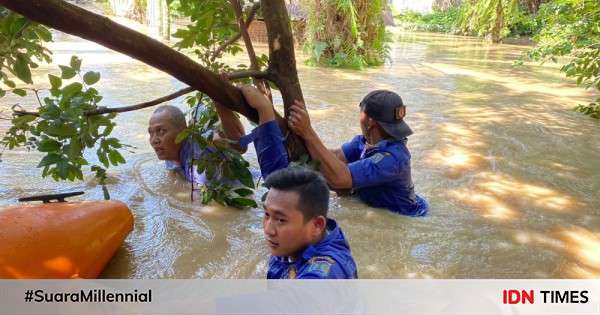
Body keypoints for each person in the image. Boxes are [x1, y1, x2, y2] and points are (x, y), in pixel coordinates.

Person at [235, 86, 428, 216]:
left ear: (369, 121)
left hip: (405, 216)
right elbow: (332, 157)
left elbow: (340, 178)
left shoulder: (393, 158)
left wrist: (308, 132)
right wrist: (294, 133)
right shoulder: (365, 143)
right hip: (378, 204)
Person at [263, 167, 357, 279]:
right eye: (267, 214)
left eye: (281, 220)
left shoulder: (325, 275)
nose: (268, 230)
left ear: (317, 225)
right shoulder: (287, 245)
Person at [147, 103, 246, 184]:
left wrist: (219, 102)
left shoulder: (204, 143)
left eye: (161, 131)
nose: (154, 140)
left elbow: (240, 145)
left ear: (183, 132)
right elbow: (174, 178)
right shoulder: (169, 153)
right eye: (151, 133)